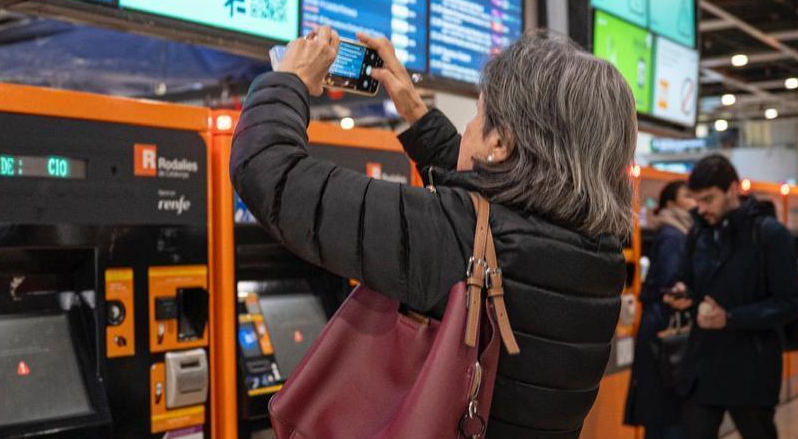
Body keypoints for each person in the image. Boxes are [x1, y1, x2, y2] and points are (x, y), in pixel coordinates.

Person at [230, 28, 636, 438]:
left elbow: (270, 173)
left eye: (478, 116)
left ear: (500, 142)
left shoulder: (455, 238)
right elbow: (493, 204)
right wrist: (416, 113)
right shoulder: (601, 254)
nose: (471, 128)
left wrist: (290, 80)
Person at [664, 155, 798, 439]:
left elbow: (789, 303)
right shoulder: (699, 234)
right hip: (703, 365)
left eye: (708, 199)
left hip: (752, 367)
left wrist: (730, 318)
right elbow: (688, 280)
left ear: (733, 189)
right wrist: (683, 293)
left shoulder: (769, 235)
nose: (701, 209)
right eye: (696, 200)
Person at [625, 180, 696, 439]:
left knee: (661, 408)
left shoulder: (678, 231)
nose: (695, 201)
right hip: (664, 331)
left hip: (661, 327)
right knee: (667, 408)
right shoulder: (673, 234)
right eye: (687, 196)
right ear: (670, 203)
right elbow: (670, 283)